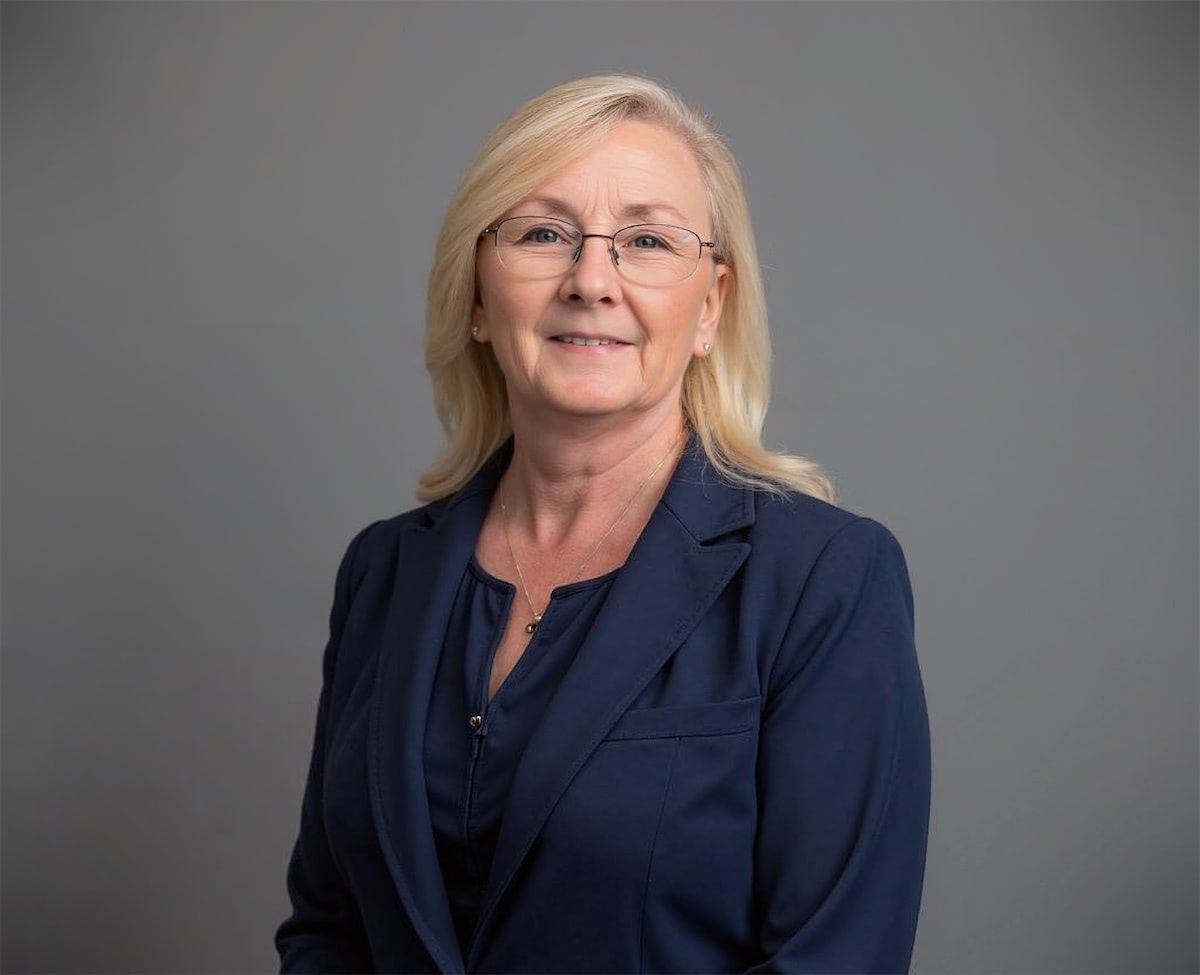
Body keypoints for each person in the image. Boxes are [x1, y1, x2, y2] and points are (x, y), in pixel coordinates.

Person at [275, 73, 931, 974]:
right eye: (544, 233)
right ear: (475, 294)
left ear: (709, 307)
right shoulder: (383, 572)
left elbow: (836, 959)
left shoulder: (822, 579)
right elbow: (327, 930)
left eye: (648, 240)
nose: (592, 279)